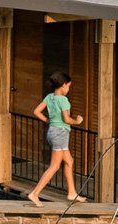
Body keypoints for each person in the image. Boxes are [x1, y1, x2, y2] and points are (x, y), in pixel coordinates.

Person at [26, 71, 87, 206]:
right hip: (60, 134)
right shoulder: (63, 100)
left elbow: (36, 112)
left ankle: (72, 192)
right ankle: (34, 194)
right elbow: (66, 119)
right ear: (63, 85)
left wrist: (49, 120)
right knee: (54, 166)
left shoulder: (50, 97)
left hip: (52, 132)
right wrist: (77, 121)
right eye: (69, 86)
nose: (68, 89)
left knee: (69, 161)